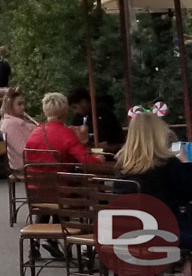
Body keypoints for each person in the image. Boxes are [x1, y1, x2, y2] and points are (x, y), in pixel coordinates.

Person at [115, 110, 192, 250]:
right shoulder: (168, 165)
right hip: (163, 232)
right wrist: (185, 163)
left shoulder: (123, 168)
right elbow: (188, 192)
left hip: (126, 231)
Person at [24, 92, 103, 166]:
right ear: (66, 111)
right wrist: (98, 160)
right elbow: (86, 160)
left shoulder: (35, 132)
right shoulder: (68, 134)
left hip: (33, 179)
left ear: (45, 112)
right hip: (60, 179)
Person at [0, 88, 37, 172]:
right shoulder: (9, 125)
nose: (23, 107)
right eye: (19, 104)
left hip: (32, 160)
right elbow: (23, 151)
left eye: (23, 104)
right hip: (24, 164)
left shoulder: (20, 121)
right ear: (10, 105)